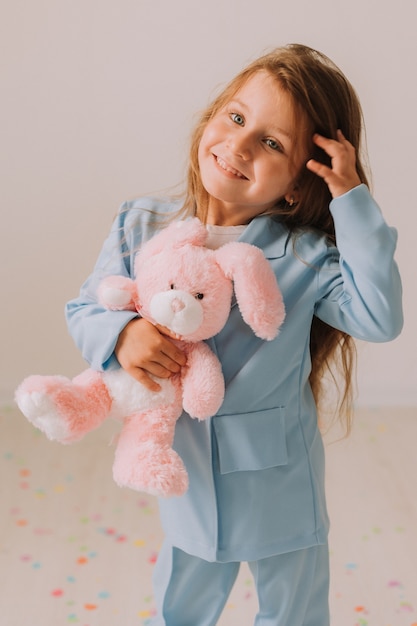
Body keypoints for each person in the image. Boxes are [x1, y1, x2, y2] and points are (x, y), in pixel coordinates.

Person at [65, 44, 403, 626]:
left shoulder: (305, 257)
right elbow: (84, 307)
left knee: (293, 608)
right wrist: (122, 335)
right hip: (189, 471)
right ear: (211, 117)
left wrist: (352, 199)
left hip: (280, 478)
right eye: (236, 118)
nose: (240, 146)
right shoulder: (141, 224)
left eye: (272, 143)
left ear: (300, 183)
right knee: (182, 604)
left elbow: (379, 316)